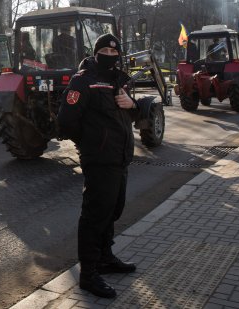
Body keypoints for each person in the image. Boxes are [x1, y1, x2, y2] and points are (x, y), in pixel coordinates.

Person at [57, 33, 139, 299]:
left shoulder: (119, 79)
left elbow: (133, 115)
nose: (111, 56)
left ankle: (105, 257)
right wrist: (89, 145)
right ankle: (89, 274)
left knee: (113, 211)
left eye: (115, 53)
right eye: (105, 51)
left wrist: (132, 104)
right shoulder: (84, 81)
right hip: (100, 160)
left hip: (120, 157)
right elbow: (66, 122)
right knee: (95, 216)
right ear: (96, 53)